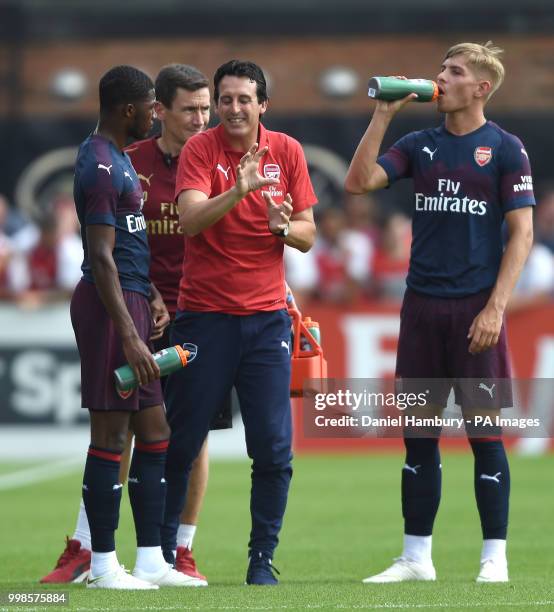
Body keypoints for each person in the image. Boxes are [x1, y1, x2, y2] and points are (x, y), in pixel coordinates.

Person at [345, 42, 534, 583]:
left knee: (484, 434)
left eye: (454, 72)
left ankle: (493, 558)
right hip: (421, 309)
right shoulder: (418, 144)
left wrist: (496, 307)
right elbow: (359, 183)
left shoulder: (504, 149)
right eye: (441, 70)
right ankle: (415, 558)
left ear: (481, 89)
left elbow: (520, 235)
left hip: (476, 310)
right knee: (419, 435)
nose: (440, 79)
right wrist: (383, 114)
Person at [40, 64, 221, 587]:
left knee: (156, 430)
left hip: (138, 301)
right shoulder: (99, 166)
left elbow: (128, 245)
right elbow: (100, 257)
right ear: (129, 109)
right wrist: (129, 334)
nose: (153, 115)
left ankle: (151, 560)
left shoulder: (117, 159)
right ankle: (100, 564)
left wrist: (153, 293)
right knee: (112, 434)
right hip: (108, 309)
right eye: (149, 106)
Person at [160, 59, 317, 585]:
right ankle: (162, 556)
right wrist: (240, 191)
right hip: (204, 319)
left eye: (243, 99)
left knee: (273, 448)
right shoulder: (201, 149)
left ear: (262, 104)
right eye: (224, 99)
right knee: (182, 440)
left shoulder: (288, 150)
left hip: (267, 320)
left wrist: (284, 231)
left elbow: (308, 232)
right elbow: (189, 219)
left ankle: (261, 558)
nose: (232, 108)